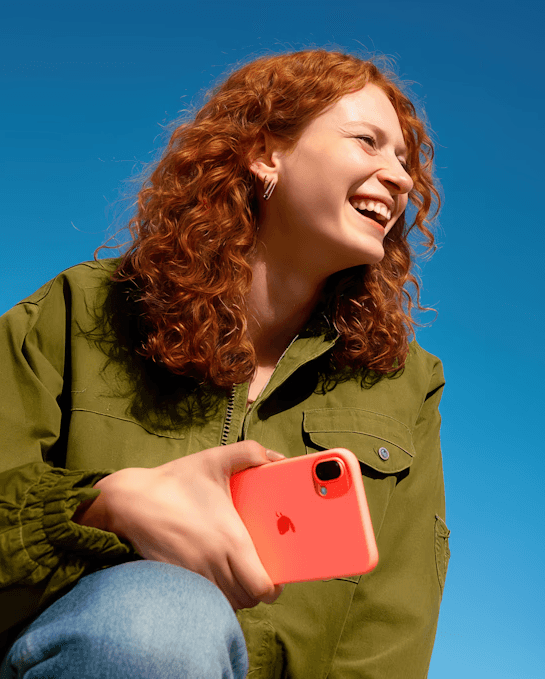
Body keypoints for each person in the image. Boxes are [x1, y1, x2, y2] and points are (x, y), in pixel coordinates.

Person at [0, 49, 449, 679]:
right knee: (161, 616)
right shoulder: (79, 311)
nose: (399, 178)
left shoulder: (406, 386)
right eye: (367, 142)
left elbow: (392, 633)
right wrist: (100, 506)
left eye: (403, 161)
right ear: (267, 153)